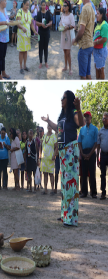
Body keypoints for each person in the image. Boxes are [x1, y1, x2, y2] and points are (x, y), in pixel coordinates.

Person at [41, 91, 84, 227]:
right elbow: (57, 128)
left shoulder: (74, 113)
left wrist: (78, 108)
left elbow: (81, 123)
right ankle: (65, 214)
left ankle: (71, 219)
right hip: (63, 152)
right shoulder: (63, 116)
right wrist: (48, 121)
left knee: (71, 186)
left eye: (63, 97)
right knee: (64, 185)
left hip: (71, 151)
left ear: (69, 99)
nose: (61, 99)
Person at [73, 0, 95, 79]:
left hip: (84, 45)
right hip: (90, 44)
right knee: (88, 73)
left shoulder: (85, 9)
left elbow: (81, 31)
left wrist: (75, 39)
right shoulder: (92, 8)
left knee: (83, 75)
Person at [78, 111, 98, 198]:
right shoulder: (82, 129)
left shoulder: (95, 129)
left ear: (91, 118)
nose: (86, 118)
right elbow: (79, 142)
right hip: (83, 152)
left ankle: (93, 193)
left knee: (92, 173)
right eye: (85, 117)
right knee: (84, 173)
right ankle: (84, 192)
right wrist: (82, 153)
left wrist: (90, 154)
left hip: (92, 152)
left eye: (88, 116)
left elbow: (96, 143)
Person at [17, 0, 38, 75]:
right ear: (23, 4)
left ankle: (25, 66)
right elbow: (17, 23)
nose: (27, 6)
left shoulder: (29, 12)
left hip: (27, 35)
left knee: (26, 51)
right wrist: (22, 27)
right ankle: (20, 67)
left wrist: (35, 31)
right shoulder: (19, 11)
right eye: (26, 5)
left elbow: (31, 23)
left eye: (28, 5)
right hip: (21, 35)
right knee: (21, 51)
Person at [58, 0, 76, 75]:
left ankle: (70, 69)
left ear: (68, 7)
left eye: (65, 6)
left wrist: (67, 27)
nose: (64, 7)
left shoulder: (71, 15)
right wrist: (60, 26)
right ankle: (65, 66)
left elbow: (73, 25)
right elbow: (60, 22)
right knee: (64, 52)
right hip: (63, 35)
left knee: (68, 52)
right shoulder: (62, 15)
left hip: (68, 35)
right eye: (63, 6)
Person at [40, 124, 58, 195]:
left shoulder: (54, 136)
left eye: (50, 126)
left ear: (52, 128)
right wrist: (40, 154)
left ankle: (52, 189)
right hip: (44, 158)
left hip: (51, 158)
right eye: (48, 126)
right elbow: (41, 145)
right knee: (45, 174)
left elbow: (56, 147)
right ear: (47, 127)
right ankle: (45, 189)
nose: (49, 127)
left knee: (51, 174)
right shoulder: (44, 136)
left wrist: (54, 155)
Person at [35, 0, 53, 69]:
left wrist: (47, 25)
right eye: (42, 5)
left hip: (47, 33)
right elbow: (36, 23)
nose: (43, 6)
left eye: (44, 5)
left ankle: (46, 62)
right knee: (40, 48)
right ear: (40, 5)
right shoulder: (39, 13)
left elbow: (51, 22)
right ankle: (40, 62)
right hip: (40, 33)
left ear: (46, 6)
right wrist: (41, 24)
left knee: (46, 47)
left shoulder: (48, 13)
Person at [93, 7, 108, 79]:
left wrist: (96, 42)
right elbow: (95, 36)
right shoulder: (98, 24)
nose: (96, 15)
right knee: (96, 68)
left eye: (98, 14)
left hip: (101, 51)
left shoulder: (104, 25)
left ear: (102, 14)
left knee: (101, 70)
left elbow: (105, 38)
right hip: (96, 50)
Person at [97, 112, 108, 200]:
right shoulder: (100, 131)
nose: (104, 120)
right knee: (102, 174)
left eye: (105, 118)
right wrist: (98, 157)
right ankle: (103, 193)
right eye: (103, 118)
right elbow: (98, 145)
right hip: (103, 155)